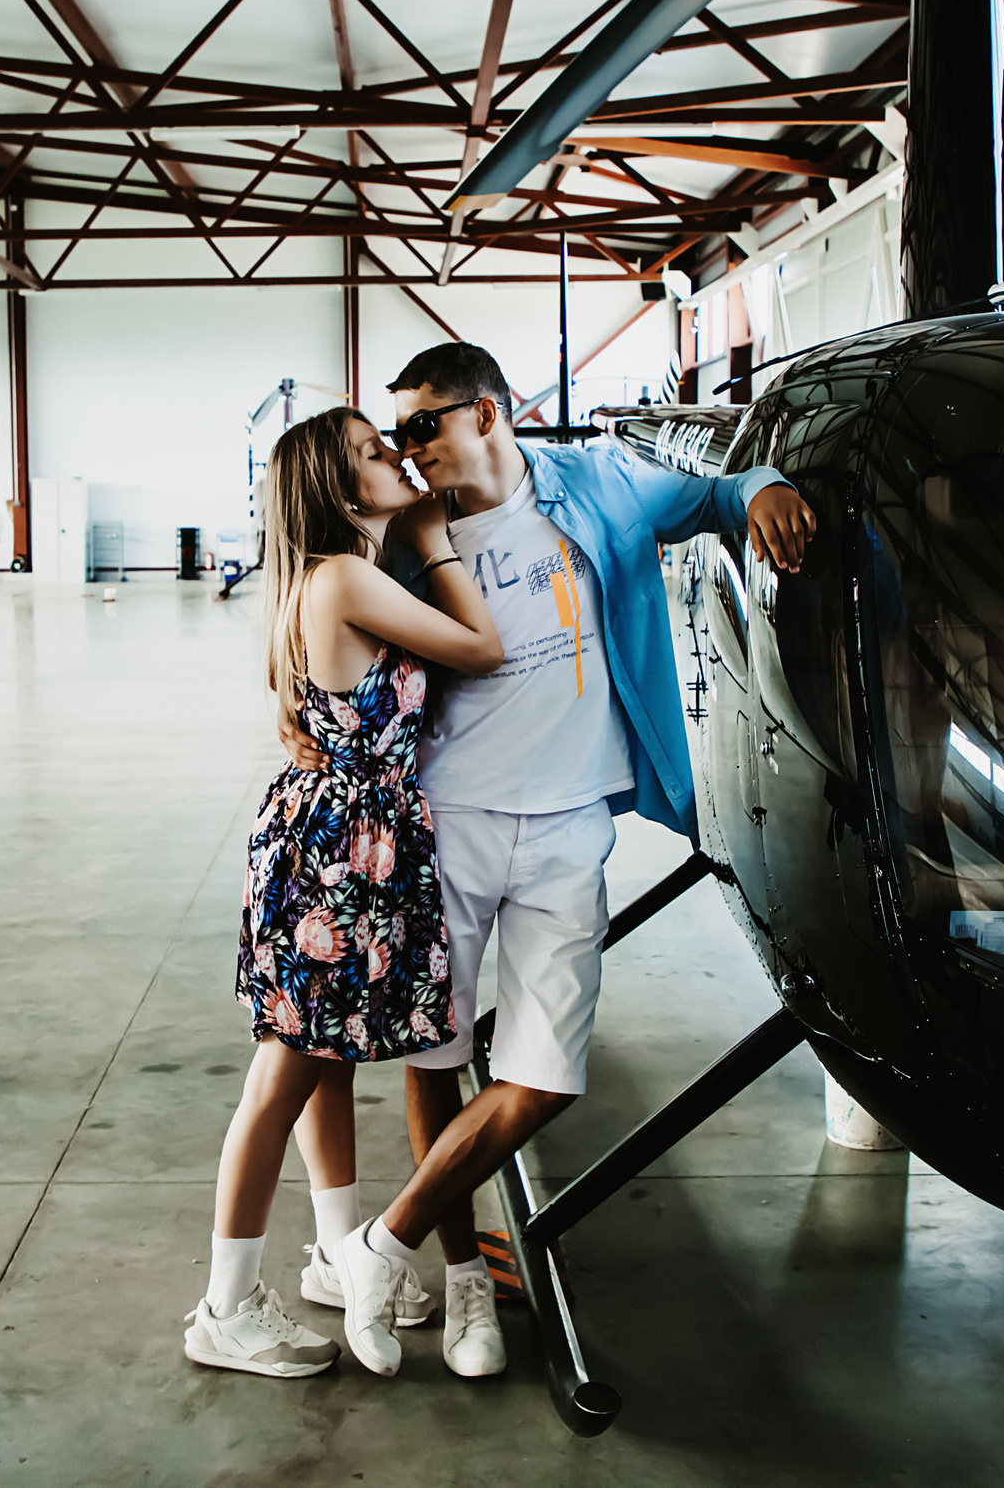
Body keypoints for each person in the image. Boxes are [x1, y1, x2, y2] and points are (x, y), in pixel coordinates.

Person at [286, 341, 814, 1379]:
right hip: (445, 822)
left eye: (422, 424)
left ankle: (376, 1246)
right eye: (394, 433)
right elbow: (319, 620)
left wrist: (770, 489)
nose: (408, 447)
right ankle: (469, 1278)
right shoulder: (400, 538)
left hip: (573, 821)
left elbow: (721, 491)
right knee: (439, 1057)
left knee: (544, 1076)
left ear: (488, 413)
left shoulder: (603, 486)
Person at [184, 407, 506, 1379]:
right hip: (333, 856)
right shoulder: (345, 576)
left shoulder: (331, 578)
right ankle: (223, 1310)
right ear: (333, 489)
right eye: (374, 454)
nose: (398, 458)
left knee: (321, 1065)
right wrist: (433, 540)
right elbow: (481, 648)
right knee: (281, 1078)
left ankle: (334, 1254)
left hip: (343, 843)